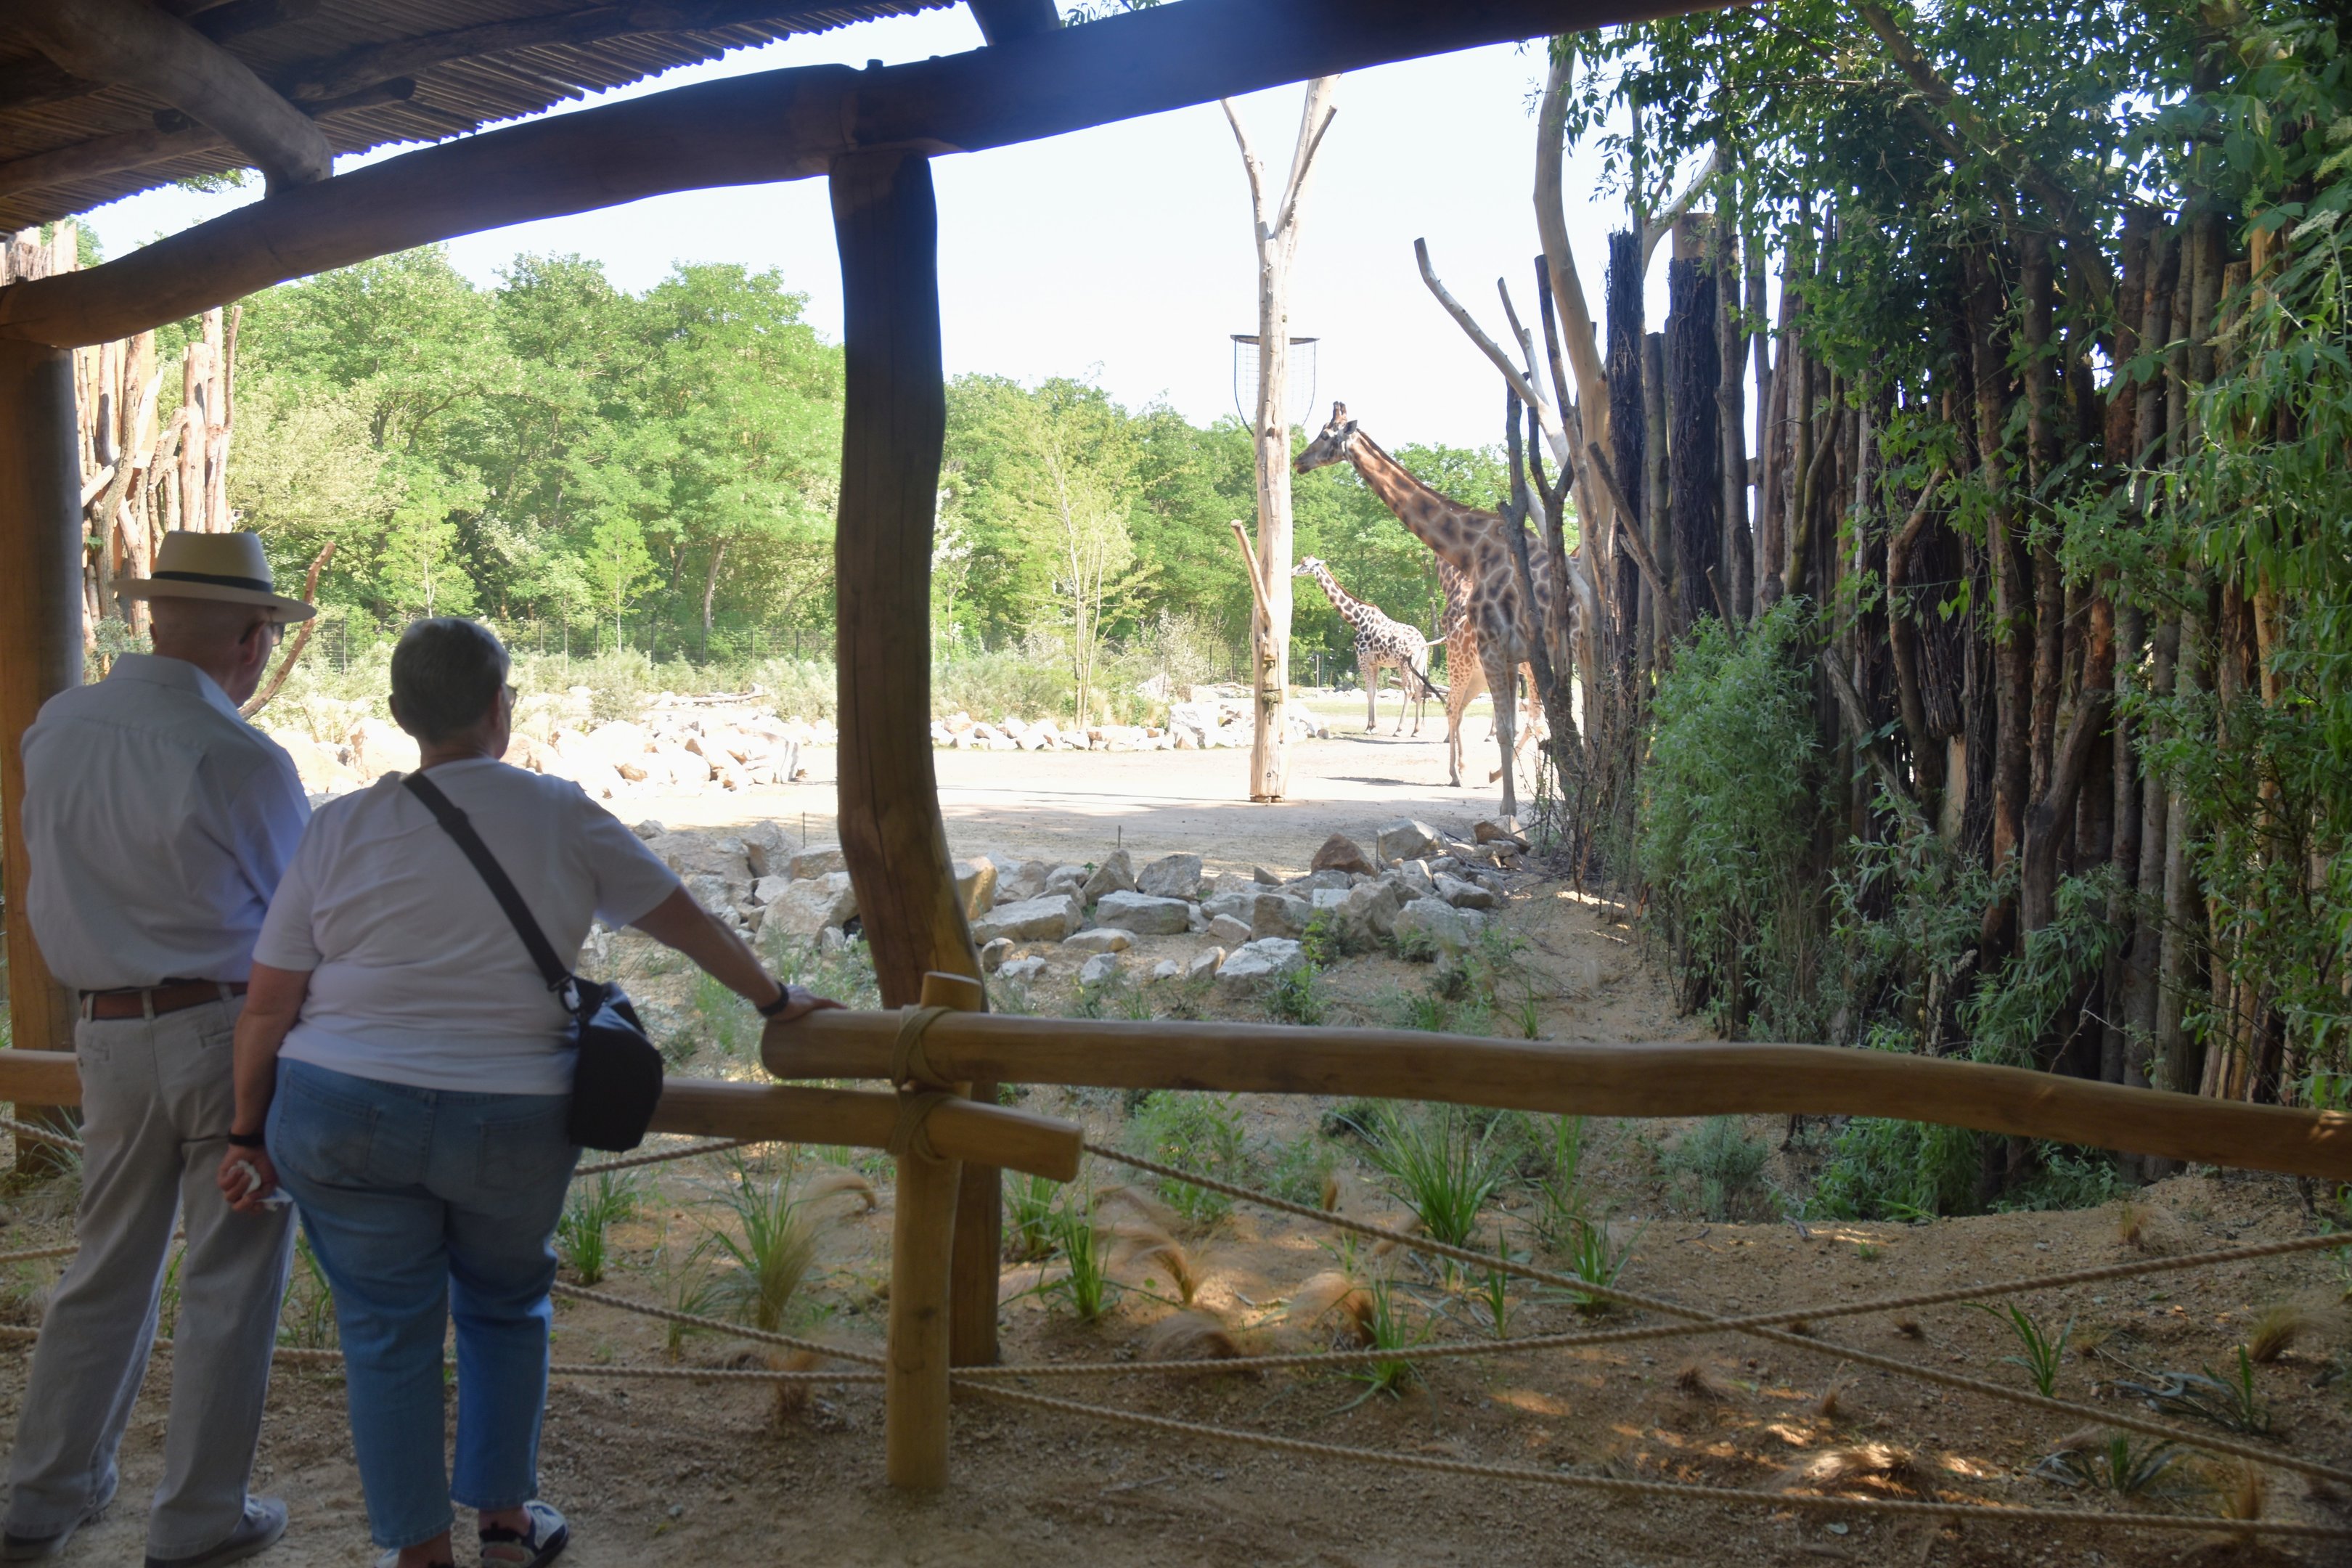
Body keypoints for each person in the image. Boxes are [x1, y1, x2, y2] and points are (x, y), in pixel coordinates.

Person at [215, 617, 835, 1568]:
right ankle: (505, 1528)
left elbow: (266, 1009)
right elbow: (689, 923)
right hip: (510, 1115)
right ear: (503, 708)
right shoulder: (562, 812)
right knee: (506, 1307)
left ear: (398, 717)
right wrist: (777, 998)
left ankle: (415, 1552)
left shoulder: (340, 824)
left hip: (337, 1108)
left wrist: (246, 1131)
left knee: (386, 1333)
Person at [4, 531, 316, 1568]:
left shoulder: (56, 730)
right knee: (230, 1277)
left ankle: (44, 1494)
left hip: (105, 1033)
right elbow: (302, 928)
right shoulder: (241, 757)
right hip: (228, 1030)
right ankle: (194, 1519)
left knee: (103, 1270)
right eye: (267, 631)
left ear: (152, 617)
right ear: (246, 636)